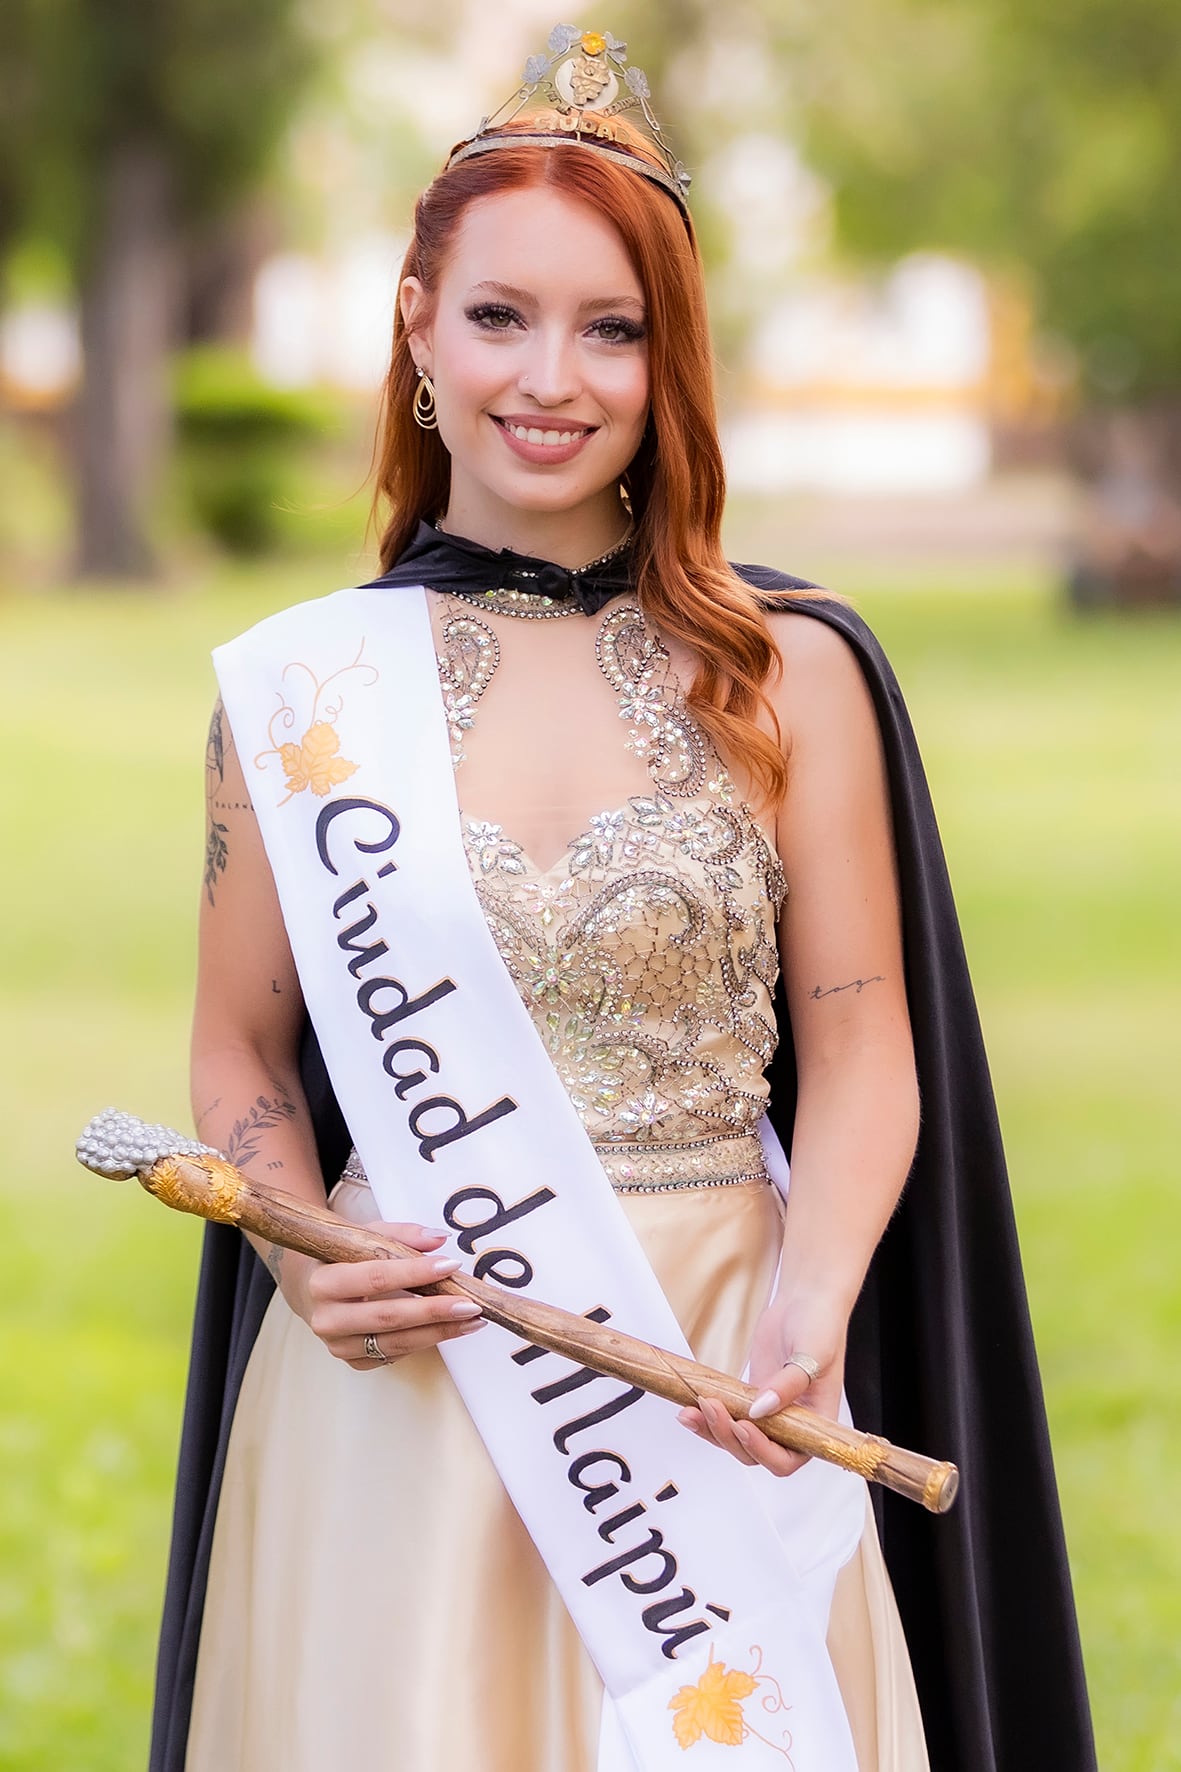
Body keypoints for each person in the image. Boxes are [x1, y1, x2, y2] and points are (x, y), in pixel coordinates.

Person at [152, 30, 1095, 1772]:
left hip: (718, 1372)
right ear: (417, 326)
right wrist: (302, 1250)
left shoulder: (783, 670)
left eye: (614, 327)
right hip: (414, 1391)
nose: (552, 377)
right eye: (501, 315)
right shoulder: (299, 691)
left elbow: (865, 1049)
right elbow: (240, 1057)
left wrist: (808, 1312)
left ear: (674, 362)